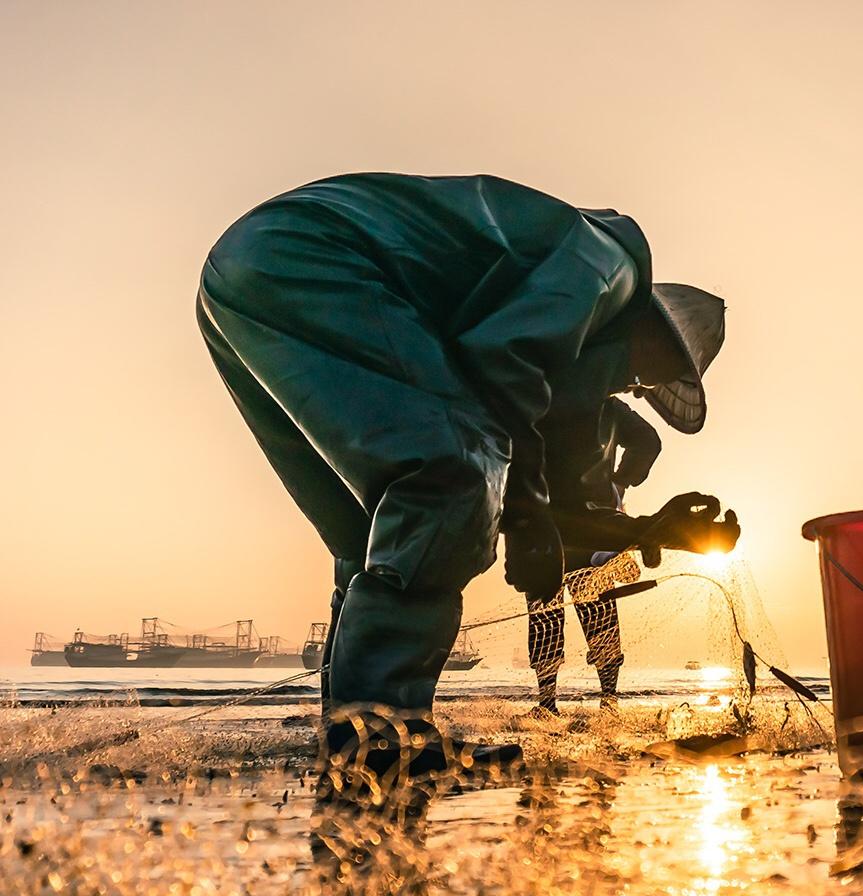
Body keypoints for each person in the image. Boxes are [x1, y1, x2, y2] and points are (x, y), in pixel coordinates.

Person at [198, 172, 740, 781]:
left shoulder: (553, 367)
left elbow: (519, 499)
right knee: (448, 477)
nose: (629, 389)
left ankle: (358, 741)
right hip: (321, 256)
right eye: (643, 375)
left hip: (241, 277)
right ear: (644, 326)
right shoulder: (607, 260)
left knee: (374, 540)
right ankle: (387, 745)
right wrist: (532, 520)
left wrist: (650, 529)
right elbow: (500, 373)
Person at [528, 398, 660, 721]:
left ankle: (549, 705)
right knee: (597, 614)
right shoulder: (607, 405)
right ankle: (608, 701)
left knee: (547, 619)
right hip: (586, 528)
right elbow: (648, 441)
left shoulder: (536, 399)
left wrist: (620, 480)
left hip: (545, 530)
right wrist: (620, 480)